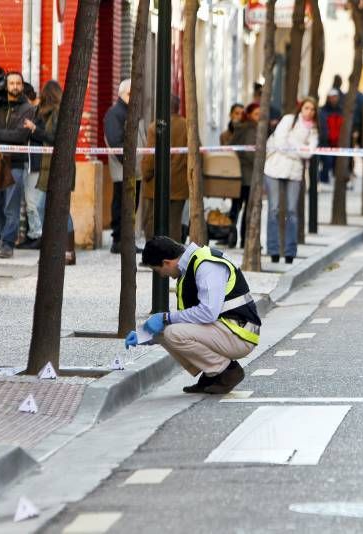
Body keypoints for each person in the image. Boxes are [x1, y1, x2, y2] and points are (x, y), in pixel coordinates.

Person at [126, 236, 261, 394]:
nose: (162, 276)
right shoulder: (189, 268)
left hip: (240, 334)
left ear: (167, 262)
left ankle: (227, 371)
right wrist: (143, 335)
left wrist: (165, 317)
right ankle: (212, 374)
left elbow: (208, 313)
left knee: (173, 332)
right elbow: (189, 318)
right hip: (227, 330)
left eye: (158, 271)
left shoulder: (206, 265)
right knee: (167, 329)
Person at [23, 80, 77, 265]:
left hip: (58, 166)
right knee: (45, 207)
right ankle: (57, 250)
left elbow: (54, 137)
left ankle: (67, 251)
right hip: (49, 166)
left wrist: (35, 129)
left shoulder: (58, 112)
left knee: (57, 208)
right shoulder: (45, 113)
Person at [263, 97, 319, 264]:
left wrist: (292, 146)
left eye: (312, 109)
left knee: (292, 212)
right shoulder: (288, 119)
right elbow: (280, 143)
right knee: (273, 209)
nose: (309, 111)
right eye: (307, 108)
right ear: (301, 108)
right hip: (274, 168)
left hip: (294, 172)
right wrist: (297, 149)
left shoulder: (314, 129)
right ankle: (272, 250)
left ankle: (290, 252)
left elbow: (310, 152)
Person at [0, 71, 35, 259]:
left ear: (22, 86)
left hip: (16, 162)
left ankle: (7, 243)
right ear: (6, 86)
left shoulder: (28, 109)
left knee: (10, 206)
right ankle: (3, 235)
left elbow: (20, 136)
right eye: (11, 83)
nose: (15, 86)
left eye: (18, 83)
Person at [141, 94, 189, 242]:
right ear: (178, 107)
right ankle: (175, 255)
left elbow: (150, 157)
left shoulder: (155, 126)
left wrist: (146, 174)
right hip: (179, 184)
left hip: (156, 184)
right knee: (175, 223)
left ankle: (153, 254)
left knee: (151, 221)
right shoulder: (187, 125)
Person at [104, 79, 143, 254]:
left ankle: (125, 240)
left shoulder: (128, 112)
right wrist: (128, 164)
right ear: (123, 94)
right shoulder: (116, 114)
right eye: (131, 94)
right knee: (122, 205)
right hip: (124, 170)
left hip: (133, 170)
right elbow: (116, 142)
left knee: (130, 206)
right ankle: (119, 240)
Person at [228, 102, 260, 248]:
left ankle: (231, 237)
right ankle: (243, 240)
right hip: (248, 175)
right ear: (250, 115)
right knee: (247, 208)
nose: (259, 117)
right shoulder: (252, 129)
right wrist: (260, 164)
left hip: (238, 174)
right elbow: (249, 152)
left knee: (236, 207)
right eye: (256, 114)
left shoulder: (242, 127)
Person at [18, 81, 45, 250]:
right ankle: (32, 233)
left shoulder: (38, 115)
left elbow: (42, 136)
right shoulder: (34, 113)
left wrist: (33, 128)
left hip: (35, 163)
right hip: (28, 162)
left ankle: (37, 234)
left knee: (33, 202)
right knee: (29, 202)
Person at [318, 88, 344, 185]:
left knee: (337, 163)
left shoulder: (341, 111)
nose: (333, 99)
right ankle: (324, 179)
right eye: (331, 97)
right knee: (327, 161)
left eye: (335, 97)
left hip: (338, 142)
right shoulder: (322, 111)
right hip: (326, 142)